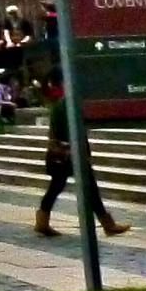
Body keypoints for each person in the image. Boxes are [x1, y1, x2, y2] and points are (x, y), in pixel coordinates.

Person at [36, 81, 130, 238]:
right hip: (70, 155)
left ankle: (42, 222)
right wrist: (82, 152)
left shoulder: (61, 105)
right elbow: (74, 132)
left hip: (61, 154)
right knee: (89, 188)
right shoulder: (69, 107)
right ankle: (108, 225)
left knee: (56, 187)